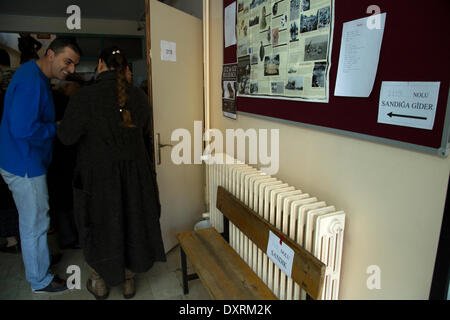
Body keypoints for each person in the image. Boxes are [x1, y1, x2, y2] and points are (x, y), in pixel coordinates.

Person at [57, 46, 166, 300]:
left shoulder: (84, 97)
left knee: (97, 228)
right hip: (135, 178)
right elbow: (143, 132)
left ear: (99, 64)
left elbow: (66, 137)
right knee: (131, 223)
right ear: (125, 68)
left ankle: (99, 283)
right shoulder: (138, 96)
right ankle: (128, 281)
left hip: (98, 179)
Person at [0, 38, 81, 293]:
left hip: (22, 159)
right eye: (67, 62)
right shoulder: (31, 81)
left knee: (35, 221)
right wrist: (55, 128)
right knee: (34, 223)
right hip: (24, 163)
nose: (71, 70)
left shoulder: (35, 75)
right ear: (50, 54)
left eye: (75, 65)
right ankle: (40, 280)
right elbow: (23, 129)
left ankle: (39, 261)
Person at [0, 48, 20, 254]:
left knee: (6, 200)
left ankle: (12, 240)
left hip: (9, 156)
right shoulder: (17, 85)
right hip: (20, 157)